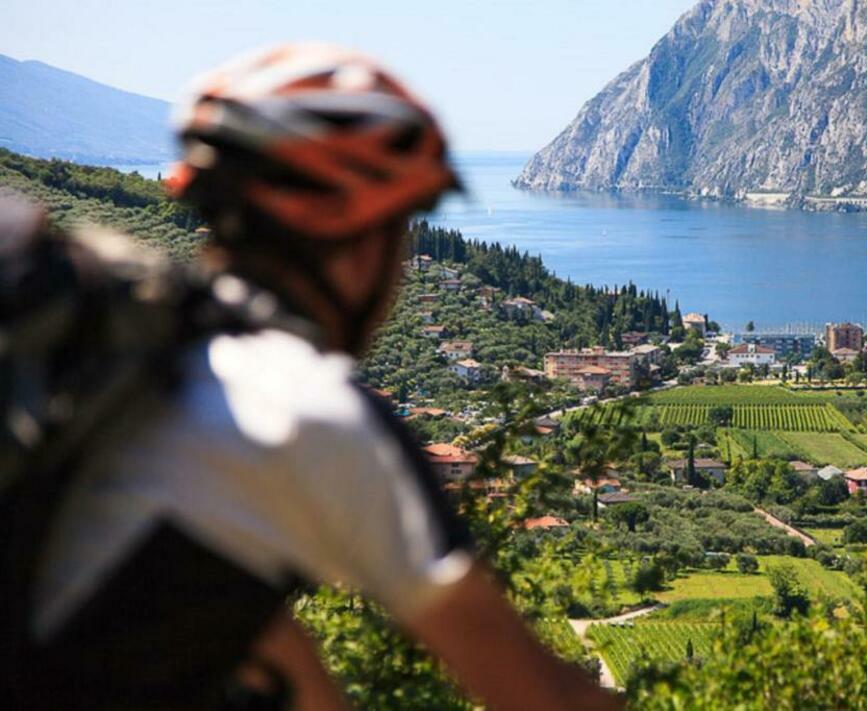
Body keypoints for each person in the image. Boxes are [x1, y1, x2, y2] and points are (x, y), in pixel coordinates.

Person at [21, 44, 619, 710]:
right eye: (400, 233)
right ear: (358, 239)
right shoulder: (311, 411)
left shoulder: (139, 370)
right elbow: (540, 695)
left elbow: (273, 651)